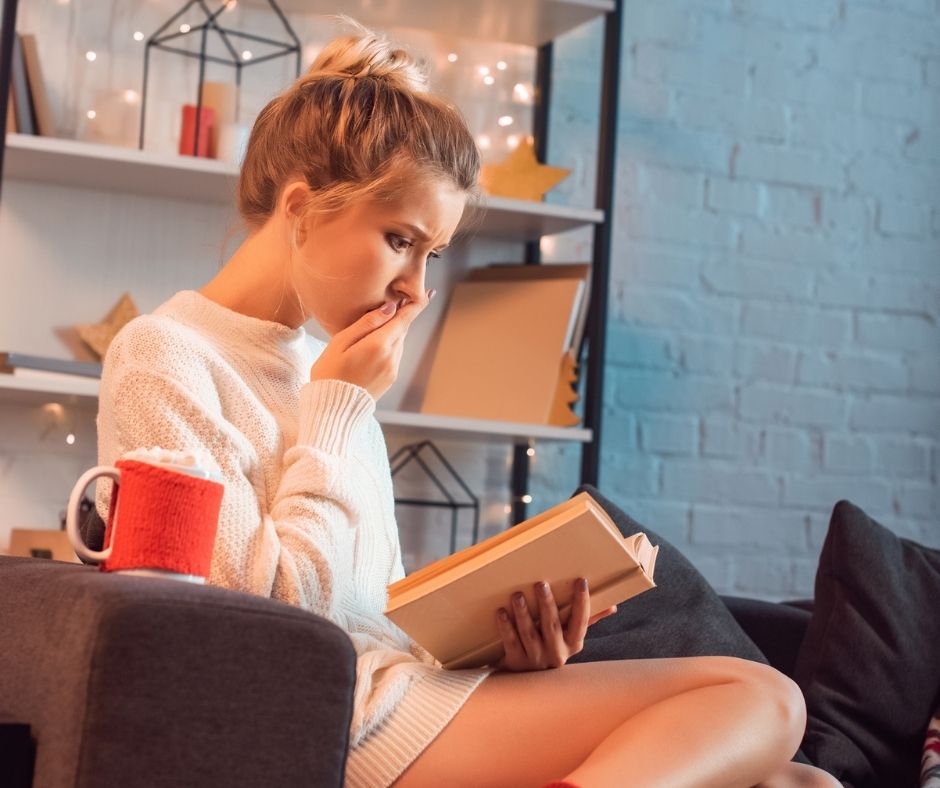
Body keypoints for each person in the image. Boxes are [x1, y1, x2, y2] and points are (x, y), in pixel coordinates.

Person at [95, 17, 841, 788]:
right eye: (400, 240)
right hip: (332, 715)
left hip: (405, 691)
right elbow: (280, 632)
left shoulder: (326, 366)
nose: (417, 289)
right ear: (303, 208)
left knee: (799, 781)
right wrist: (338, 406)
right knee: (760, 698)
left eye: (433, 255)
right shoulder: (166, 354)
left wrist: (503, 647)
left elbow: (365, 608)